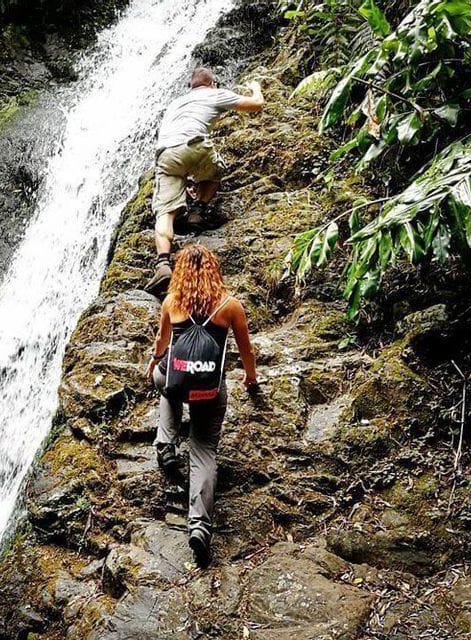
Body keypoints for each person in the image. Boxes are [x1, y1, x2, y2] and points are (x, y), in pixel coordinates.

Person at [145, 244, 258, 567]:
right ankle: (199, 526)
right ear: (214, 271)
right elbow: (247, 351)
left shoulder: (172, 302)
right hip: (208, 390)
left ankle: (166, 443)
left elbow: (161, 343)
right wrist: (251, 379)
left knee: (165, 383)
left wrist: (153, 364)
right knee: (204, 449)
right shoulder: (229, 305)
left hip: (176, 384)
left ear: (179, 273)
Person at [145, 67, 265, 294]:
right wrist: (256, 87)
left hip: (166, 155)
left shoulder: (175, 104)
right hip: (195, 145)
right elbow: (256, 105)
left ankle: (162, 263)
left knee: (164, 212)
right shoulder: (214, 94)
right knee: (215, 171)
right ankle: (198, 209)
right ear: (212, 84)